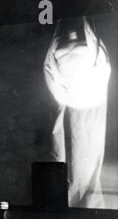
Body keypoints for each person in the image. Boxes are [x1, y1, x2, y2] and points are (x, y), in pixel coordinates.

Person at [44, 17, 111, 208]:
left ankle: (88, 205)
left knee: (87, 160)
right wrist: (59, 97)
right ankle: (64, 203)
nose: (73, 34)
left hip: (90, 105)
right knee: (61, 157)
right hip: (65, 104)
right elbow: (49, 70)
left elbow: (103, 66)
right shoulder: (58, 45)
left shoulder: (92, 44)